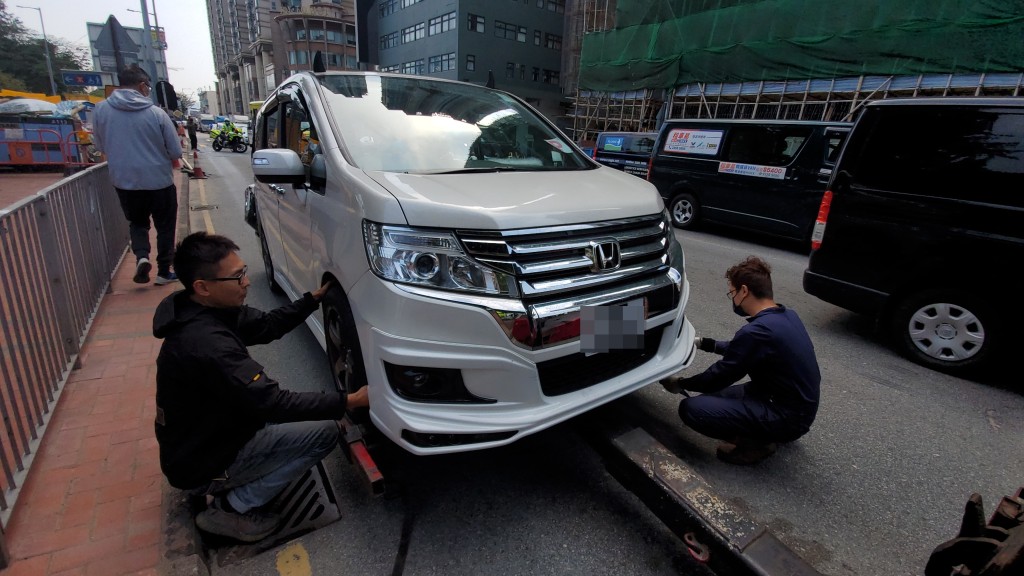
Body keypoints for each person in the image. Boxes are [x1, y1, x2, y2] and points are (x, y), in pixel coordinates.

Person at [152, 232, 369, 542]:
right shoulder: (207, 344)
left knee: (298, 411)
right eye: (237, 277)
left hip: (212, 437)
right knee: (325, 433)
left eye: (244, 271)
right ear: (203, 287)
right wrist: (350, 400)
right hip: (204, 463)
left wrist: (311, 300)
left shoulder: (203, 310)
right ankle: (232, 508)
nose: (246, 282)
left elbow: (266, 325)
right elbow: (273, 403)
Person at [660, 255, 820, 465]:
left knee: (692, 409)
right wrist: (705, 343)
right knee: (715, 397)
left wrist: (680, 383)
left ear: (744, 291)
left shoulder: (757, 332)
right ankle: (766, 430)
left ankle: (756, 443)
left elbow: (719, 376)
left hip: (786, 417)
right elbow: (743, 350)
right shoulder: (786, 316)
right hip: (793, 407)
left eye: (732, 292)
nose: (733, 298)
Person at [92, 64, 183, 286]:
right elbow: (176, 151)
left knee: (137, 223)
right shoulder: (156, 113)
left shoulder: (101, 110)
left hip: (124, 181)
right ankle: (164, 271)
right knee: (165, 227)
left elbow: (99, 145)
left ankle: (142, 256)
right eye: (148, 87)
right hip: (159, 181)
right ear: (142, 86)